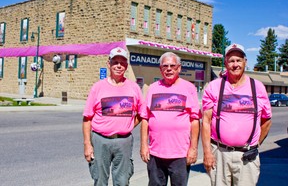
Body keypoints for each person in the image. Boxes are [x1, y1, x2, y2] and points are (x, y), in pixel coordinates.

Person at [202, 43, 272, 186]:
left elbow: (267, 120)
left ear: (245, 62)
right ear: (226, 63)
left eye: (238, 60)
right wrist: (207, 153)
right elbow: (206, 122)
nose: (235, 64)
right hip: (220, 153)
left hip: (247, 157)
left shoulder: (257, 87)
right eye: (231, 61)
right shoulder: (214, 86)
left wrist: (256, 143)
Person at [82, 47, 144, 186]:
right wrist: (87, 144)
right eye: (115, 62)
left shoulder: (134, 88)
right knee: (100, 180)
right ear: (109, 64)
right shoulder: (98, 87)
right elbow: (87, 118)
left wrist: (128, 125)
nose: (118, 65)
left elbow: (142, 113)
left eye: (122, 63)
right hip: (100, 140)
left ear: (126, 66)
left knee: (122, 181)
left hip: (124, 142)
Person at [140, 52, 201, 186]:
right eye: (165, 66)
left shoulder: (189, 88)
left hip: (180, 154)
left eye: (172, 66)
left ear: (179, 68)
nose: (169, 69)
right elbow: (145, 118)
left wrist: (193, 148)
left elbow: (195, 120)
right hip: (155, 153)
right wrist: (144, 145)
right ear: (160, 69)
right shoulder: (153, 88)